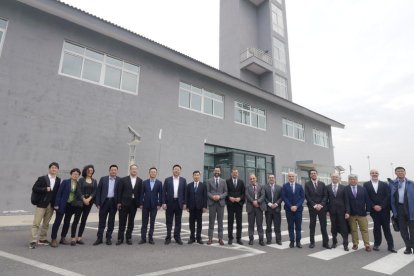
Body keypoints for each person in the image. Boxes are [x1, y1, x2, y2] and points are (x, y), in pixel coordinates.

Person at [29, 162, 61, 249]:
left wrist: (56, 204)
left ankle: (42, 239)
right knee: (36, 223)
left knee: (46, 223)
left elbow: (56, 193)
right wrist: (44, 189)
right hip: (41, 204)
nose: (54, 169)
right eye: (52, 168)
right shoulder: (42, 178)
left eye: (56, 168)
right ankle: (33, 241)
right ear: (49, 169)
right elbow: (34, 188)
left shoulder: (58, 180)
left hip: (51, 205)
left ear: (57, 170)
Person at [363, 169, 396, 253]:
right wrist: (374, 206)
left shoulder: (384, 184)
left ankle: (391, 246)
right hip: (374, 210)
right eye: (372, 173)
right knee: (376, 228)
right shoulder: (366, 185)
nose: (374, 174)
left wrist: (381, 206)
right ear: (370, 174)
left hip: (384, 209)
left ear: (378, 174)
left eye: (376, 173)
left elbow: (388, 196)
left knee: (387, 228)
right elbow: (367, 197)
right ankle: (377, 244)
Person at [50, 168, 82, 247]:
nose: (75, 175)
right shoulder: (65, 182)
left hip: (71, 206)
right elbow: (59, 193)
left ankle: (62, 238)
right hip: (62, 204)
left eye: (77, 174)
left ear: (78, 176)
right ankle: (53, 239)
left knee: (67, 222)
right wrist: (56, 204)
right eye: (74, 174)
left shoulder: (78, 184)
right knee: (57, 222)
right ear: (71, 174)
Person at [94, 164, 121, 246]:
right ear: (109, 171)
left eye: (115, 170)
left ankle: (108, 238)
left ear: (117, 171)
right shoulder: (103, 179)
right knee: (102, 221)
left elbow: (120, 193)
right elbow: (98, 191)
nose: (113, 171)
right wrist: (97, 203)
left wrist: (119, 203)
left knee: (111, 221)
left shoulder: (120, 180)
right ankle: (99, 238)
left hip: (113, 202)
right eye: (112, 170)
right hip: (104, 202)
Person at [116, 164, 142, 245]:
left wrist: (139, 204)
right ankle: (120, 238)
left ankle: (128, 238)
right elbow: (119, 191)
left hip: (133, 205)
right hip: (123, 204)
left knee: (131, 222)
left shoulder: (140, 180)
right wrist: (119, 202)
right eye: (132, 169)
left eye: (135, 169)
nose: (134, 170)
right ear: (130, 170)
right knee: (122, 222)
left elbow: (140, 193)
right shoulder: (123, 180)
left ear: (137, 171)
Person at [390, 166, 414, 254]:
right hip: (399, 208)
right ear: (396, 173)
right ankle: (408, 247)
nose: (400, 172)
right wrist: (394, 211)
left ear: (405, 173)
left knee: (413, 230)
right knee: (403, 230)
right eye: (398, 171)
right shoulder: (392, 184)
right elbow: (391, 198)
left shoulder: (411, 183)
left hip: (411, 208)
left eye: (402, 171)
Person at [346, 174, 371, 252]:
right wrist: (347, 212)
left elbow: (367, 200)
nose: (353, 180)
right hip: (351, 214)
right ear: (349, 180)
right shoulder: (346, 189)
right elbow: (346, 201)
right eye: (351, 179)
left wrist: (368, 210)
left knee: (364, 230)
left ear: (357, 180)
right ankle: (355, 244)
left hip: (362, 213)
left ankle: (367, 245)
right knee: (353, 230)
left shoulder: (363, 189)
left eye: (354, 179)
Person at [305, 169, 330, 249]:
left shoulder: (322, 184)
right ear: (310, 175)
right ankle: (312, 242)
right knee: (312, 225)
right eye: (311, 173)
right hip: (312, 208)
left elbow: (325, 196)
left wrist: (321, 204)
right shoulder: (307, 184)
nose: (313, 174)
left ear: (317, 174)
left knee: (323, 226)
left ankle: (325, 243)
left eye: (314, 173)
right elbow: (307, 196)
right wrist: (315, 205)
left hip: (322, 208)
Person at [162, 164, 187, 245]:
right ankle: (168, 237)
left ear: (180, 171)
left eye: (178, 169)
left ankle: (177, 237)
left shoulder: (183, 180)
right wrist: (164, 202)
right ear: (172, 170)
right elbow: (163, 192)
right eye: (175, 169)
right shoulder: (167, 180)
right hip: (169, 203)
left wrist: (184, 203)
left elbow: (185, 193)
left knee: (178, 221)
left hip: (179, 203)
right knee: (168, 221)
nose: (176, 171)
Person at [326, 173, 350, 251]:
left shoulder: (344, 188)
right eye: (333, 177)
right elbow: (326, 200)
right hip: (332, 211)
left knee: (344, 228)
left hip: (342, 211)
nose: (334, 178)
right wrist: (327, 211)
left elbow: (347, 200)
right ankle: (334, 242)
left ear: (339, 178)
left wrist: (347, 212)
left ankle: (345, 244)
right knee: (333, 227)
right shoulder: (327, 187)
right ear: (331, 178)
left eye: (336, 177)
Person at [139, 167, 163, 245]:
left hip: (154, 205)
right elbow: (141, 193)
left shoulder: (159, 183)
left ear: (156, 173)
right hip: (145, 205)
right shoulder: (144, 182)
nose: (153, 173)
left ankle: (150, 238)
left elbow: (161, 194)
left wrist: (159, 204)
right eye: (151, 172)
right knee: (144, 222)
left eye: (154, 172)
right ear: (149, 173)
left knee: (152, 222)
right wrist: (141, 203)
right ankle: (143, 238)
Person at [75, 165, 98, 245]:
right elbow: (78, 190)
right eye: (89, 170)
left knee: (83, 220)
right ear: (85, 171)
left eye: (91, 170)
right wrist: (83, 199)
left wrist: (89, 199)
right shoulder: (81, 180)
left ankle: (79, 237)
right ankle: (73, 238)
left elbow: (95, 191)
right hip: (80, 202)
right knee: (76, 219)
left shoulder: (94, 181)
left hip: (89, 202)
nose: (90, 171)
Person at [282, 172, 304, 248]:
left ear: (295, 177)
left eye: (292, 176)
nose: (291, 177)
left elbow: (302, 198)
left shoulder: (300, 186)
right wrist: (291, 206)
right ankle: (292, 241)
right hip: (289, 209)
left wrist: (296, 206)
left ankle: (298, 241)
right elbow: (284, 197)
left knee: (298, 226)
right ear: (288, 177)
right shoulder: (285, 186)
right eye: (290, 176)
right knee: (290, 226)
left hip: (298, 210)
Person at [206, 165, 227, 245]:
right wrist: (213, 197)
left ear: (220, 172)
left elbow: (226, 192)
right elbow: (207, 192)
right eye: (215, 171)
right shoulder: (208, 181)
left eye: (218, 171)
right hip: (212, 203)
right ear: (213, 171)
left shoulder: (223, 181)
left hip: (220, 204)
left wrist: (219, 196)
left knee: (220, 222)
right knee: (211, 222)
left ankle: (220, 239)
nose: (217, 172)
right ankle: (210, 239)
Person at [186, 170, 207, 244]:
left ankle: (199, 238)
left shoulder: (203, 185)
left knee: (199, 223)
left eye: (198, 175)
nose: (196, 176)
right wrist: (187, 206)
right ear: (193, 176)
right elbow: (187, 196)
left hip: (199, 207)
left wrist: (205, 206)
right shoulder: (189, 185)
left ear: (199, 176)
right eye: (195, 175)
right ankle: (192, 238)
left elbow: (205, 197)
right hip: (191, 207)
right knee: (191, 223)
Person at [225, 168, 245, 245]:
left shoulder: (241, 182)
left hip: (239, 205)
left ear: (238, 174)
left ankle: (238, 238)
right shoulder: (227, 181)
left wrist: (239, 198)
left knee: (239, 222)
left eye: (236, 173)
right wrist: (229, 197)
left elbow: (243, 192)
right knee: (230, 222)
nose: (235, 174)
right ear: (231, 174)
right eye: (233, 173)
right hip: (230, 204)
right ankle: (230, 238)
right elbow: (225, 191)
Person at [245, 174, 266, 246]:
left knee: (259, 224)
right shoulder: (247, 187)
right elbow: (247, 195)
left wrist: (258, 201)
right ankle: (251, 239)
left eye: (253, 178)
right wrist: (253, 201)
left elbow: (263, 195)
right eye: (251, 179)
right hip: (251, 207)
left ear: (256, 178)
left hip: (259, 207)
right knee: (251, 224)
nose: (252, 180)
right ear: (249, 180)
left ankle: (261, 240)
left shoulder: (261, 186)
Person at [264, 174, 282, 245]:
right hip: (268, 209)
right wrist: (270, 204)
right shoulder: (265, 187)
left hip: (277, 209)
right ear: (268, 179)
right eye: (270, 178)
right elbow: (264, 197)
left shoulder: (279, 187)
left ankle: (278, 240)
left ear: (275, 179)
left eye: (272, 178)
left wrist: (276, 204)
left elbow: (281, 197)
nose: (271, 179)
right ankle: (269, 240)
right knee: (268, 226)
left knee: (277, 226)